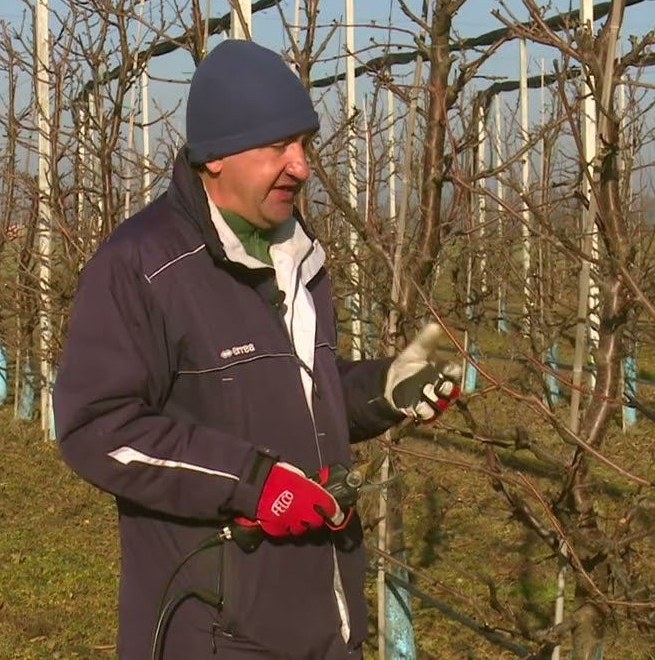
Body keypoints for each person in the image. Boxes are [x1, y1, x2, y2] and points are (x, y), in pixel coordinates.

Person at [52, 38, 462, 660]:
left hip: (325, 620)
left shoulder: (294, 254)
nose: (300, 166)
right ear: (216, 156)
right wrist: (251, 483)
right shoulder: (142, 266)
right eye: (279, 147)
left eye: (304, 145)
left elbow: (303, 394)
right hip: (215, 632)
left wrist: (387, 387)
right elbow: (96, 427)